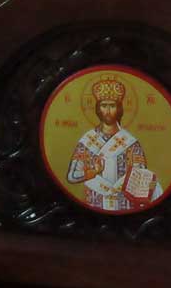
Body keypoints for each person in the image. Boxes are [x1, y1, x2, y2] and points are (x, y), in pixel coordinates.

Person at [66, 76, 161, 212]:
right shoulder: (87, 141)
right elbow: (72, 176)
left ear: (119, 109)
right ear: (98, 109)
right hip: (94, 204)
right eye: (104, 106)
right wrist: (93, 172)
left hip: (124, 205)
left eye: (112, 106)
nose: (108, 111)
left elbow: (141, 177)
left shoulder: (130, 143)